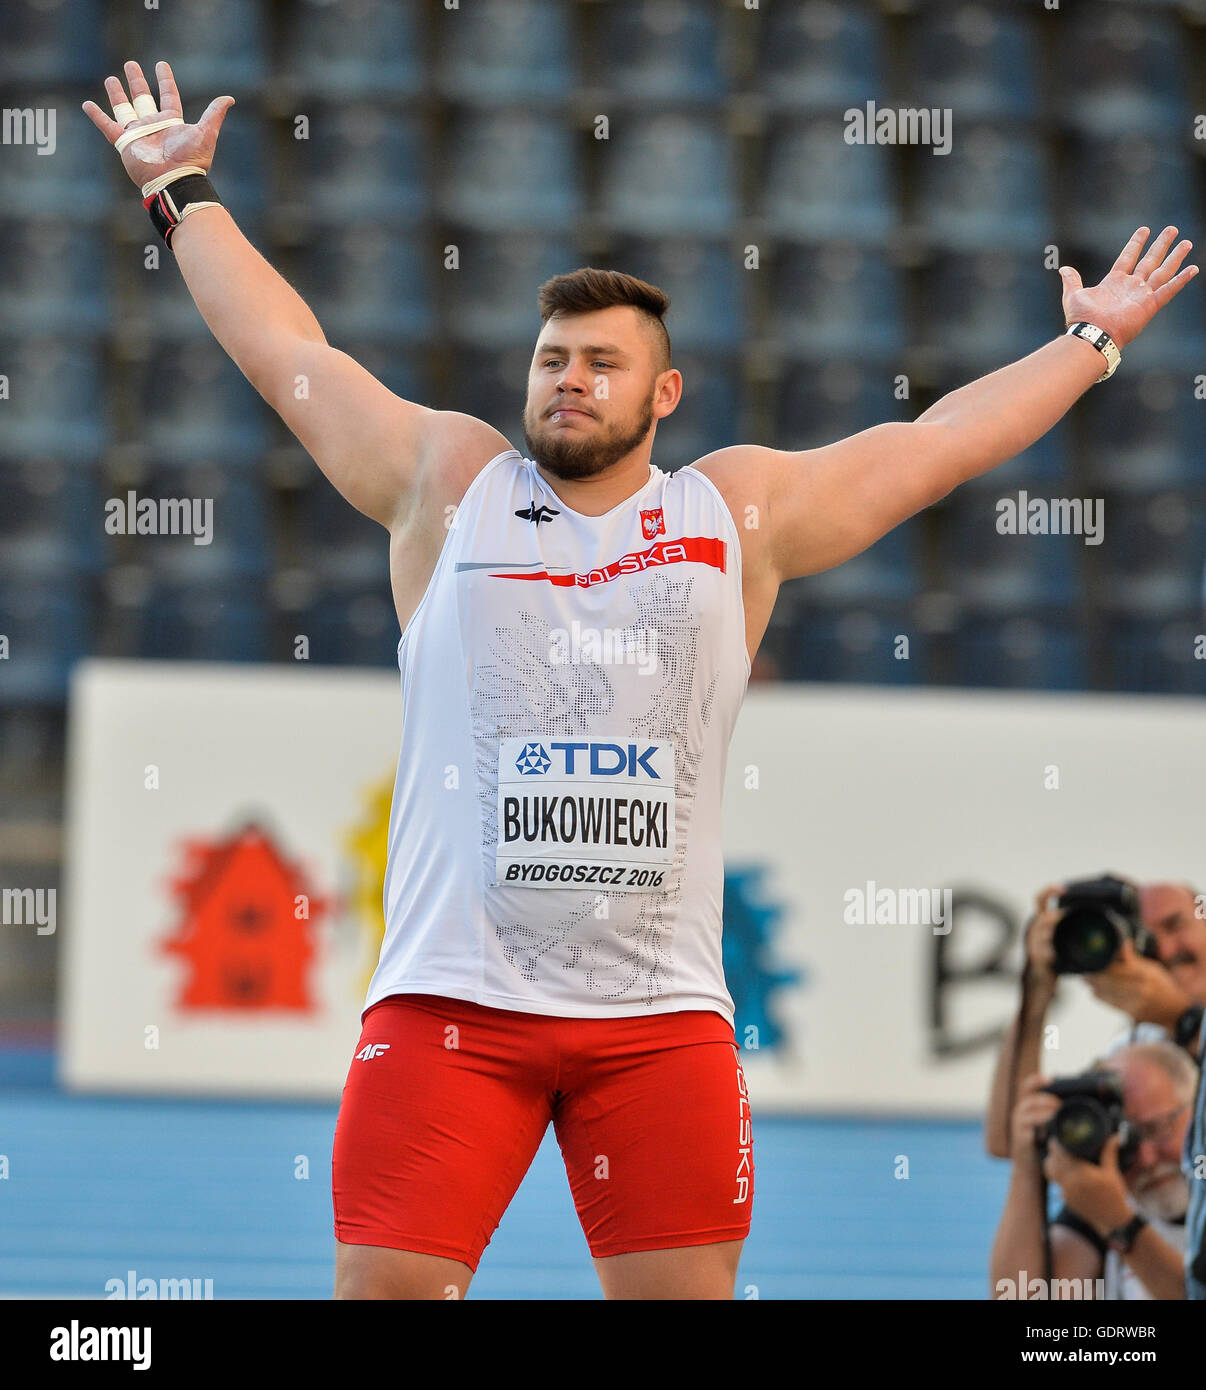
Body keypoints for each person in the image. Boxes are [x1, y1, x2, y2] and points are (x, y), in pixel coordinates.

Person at [83, 59, 1200, 1300]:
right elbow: (285, 349)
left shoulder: (737, 513)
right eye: (554, 357)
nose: (570, 377)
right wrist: (181, 189)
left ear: (663, 393)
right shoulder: (450, 485)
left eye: (603, 362)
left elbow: (932, 448)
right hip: (452, 1007)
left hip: (659, 1023)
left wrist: (1092, 341)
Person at [985, 880, 1206, 1298]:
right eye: (1144, 935)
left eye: (1175, 924)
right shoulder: (1136, 1054)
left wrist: (1182, 1018)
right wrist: (1036, 989)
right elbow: (1010, 1142)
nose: (1161, 946)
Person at [990, 1042, 1195, 1300]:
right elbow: (1020, 1296)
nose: (1146, 1158)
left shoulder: (1112, 1211)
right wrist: (1027, 1168)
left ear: (1198, 1111)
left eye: (1156, 1129)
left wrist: (1121, 1226)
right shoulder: (1108, 1201)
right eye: (1125, 1141)